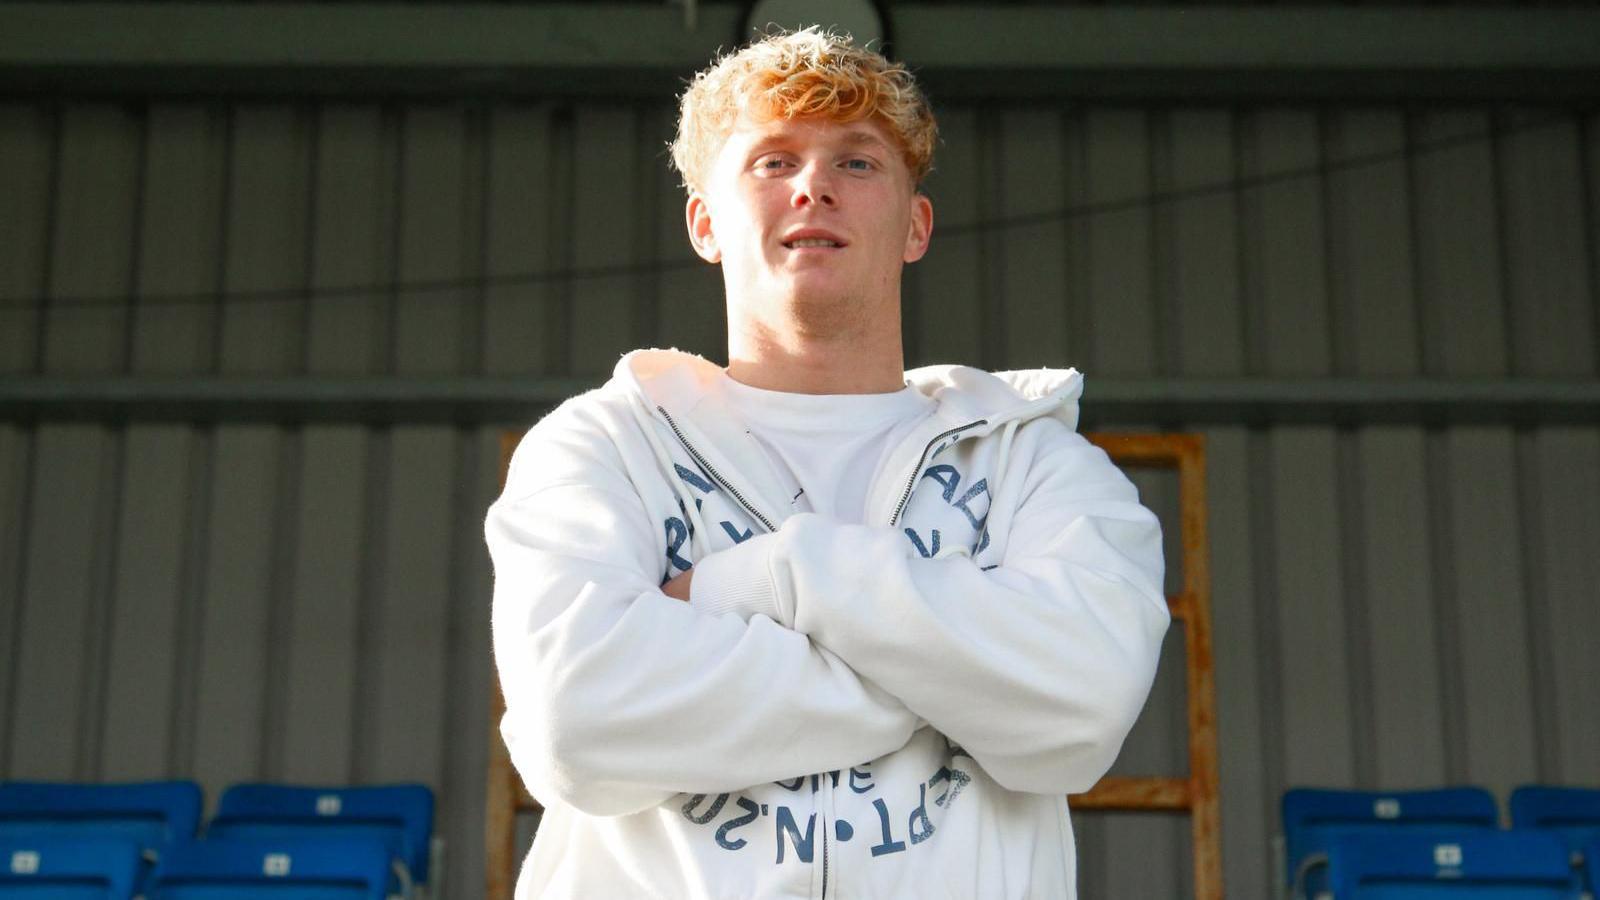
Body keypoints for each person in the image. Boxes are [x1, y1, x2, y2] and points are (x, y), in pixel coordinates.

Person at [486, 27, 1169, 899]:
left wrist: (776, 579)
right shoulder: (604, 444)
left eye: (857, 163)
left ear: (915, 225)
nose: (814, 185)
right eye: (772, 162)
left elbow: (1081, 711)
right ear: (706, 223)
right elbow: (576, 725)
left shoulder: (1034, 459)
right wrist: (967, 680)